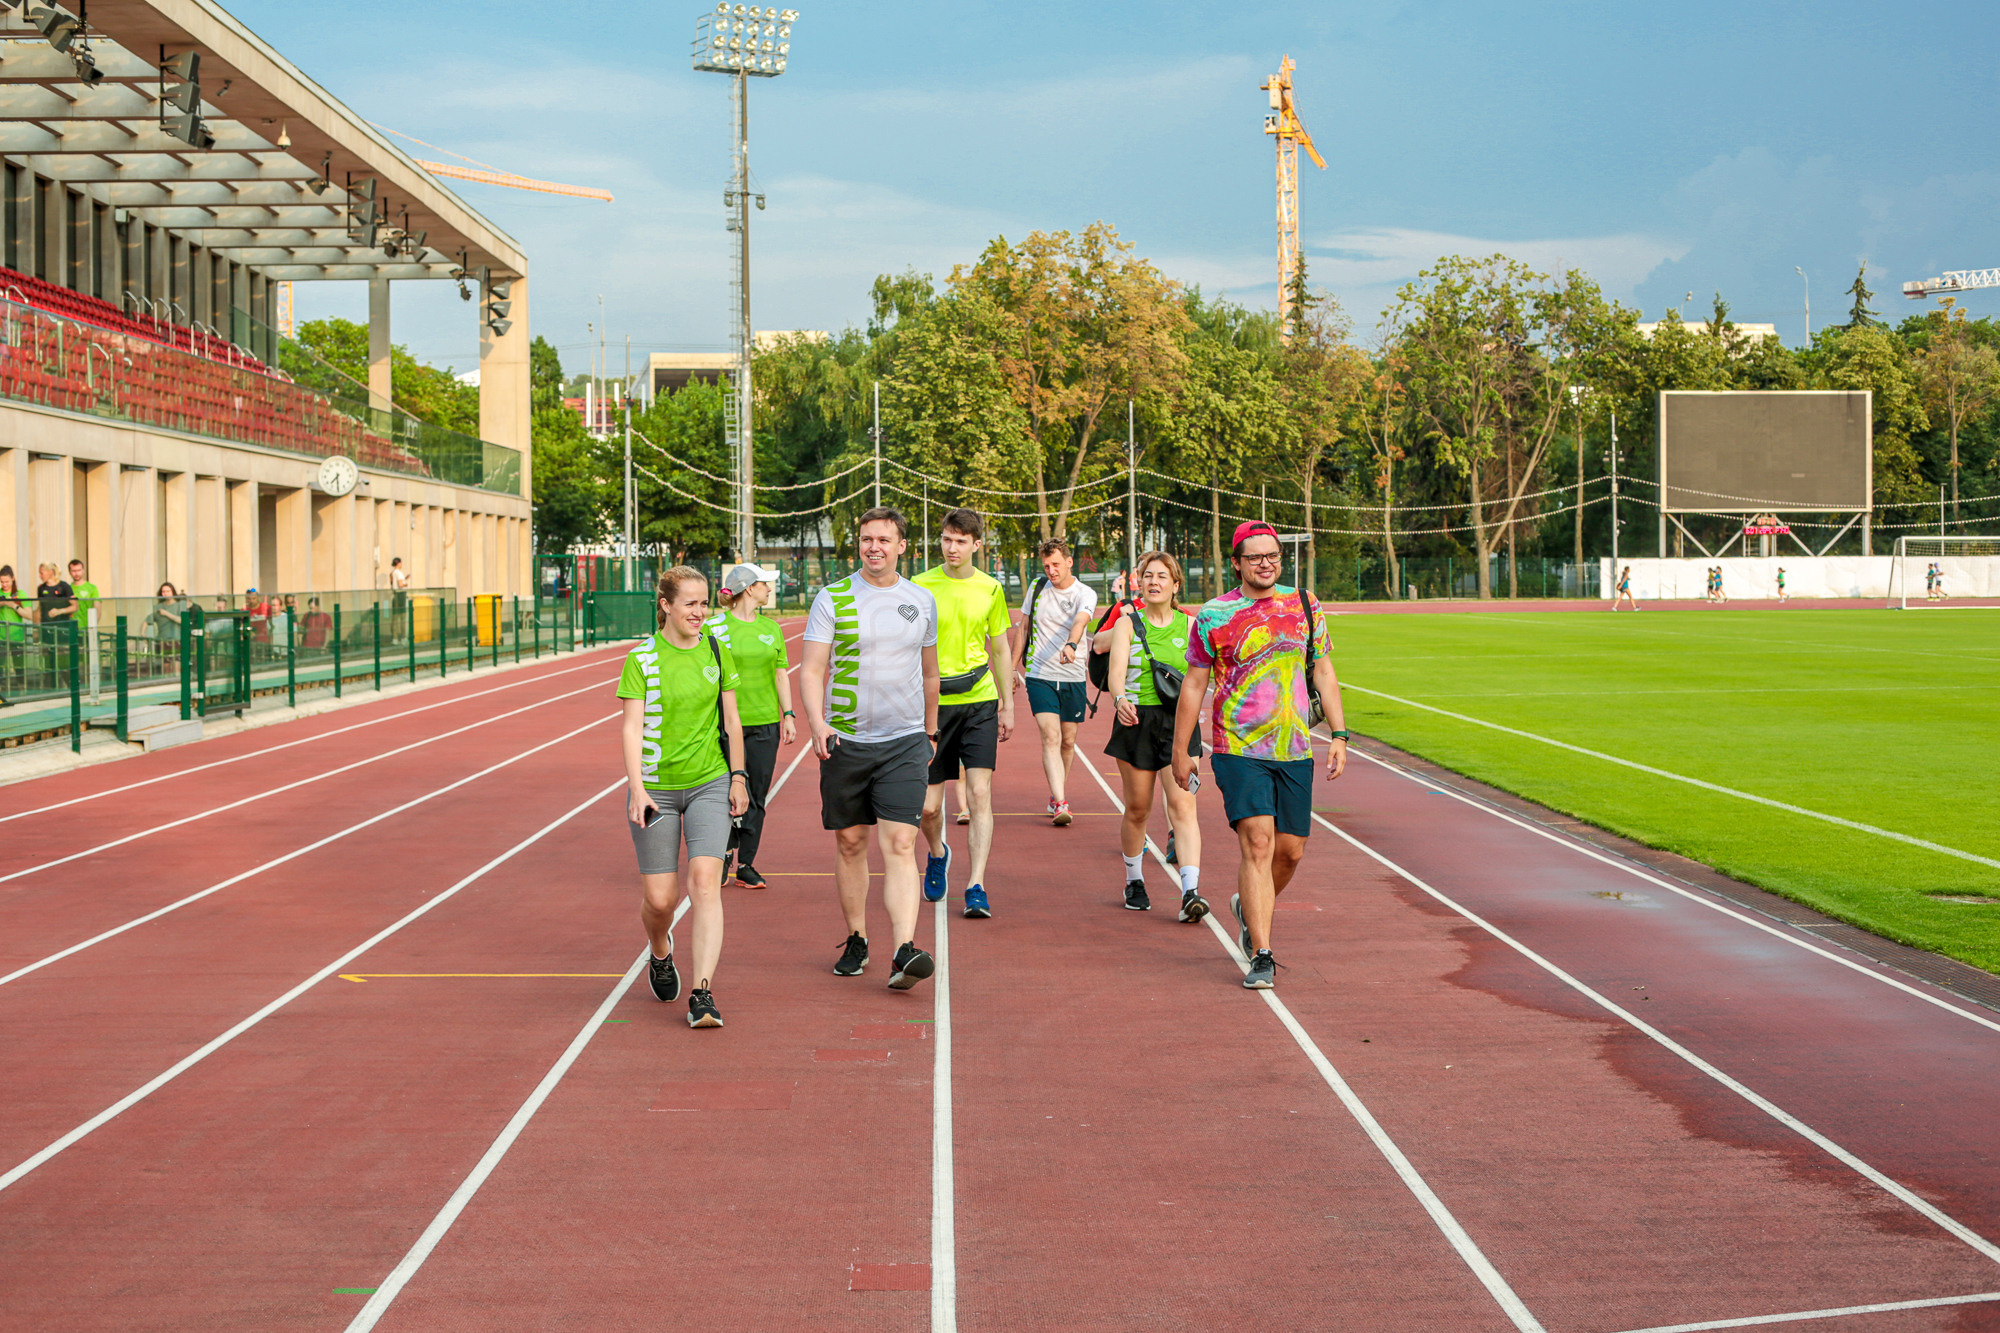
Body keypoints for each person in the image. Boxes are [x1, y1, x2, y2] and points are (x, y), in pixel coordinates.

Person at [1172, 521, 1346, 991]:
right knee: (1258, 843)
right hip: (1238, 747)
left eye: (1272, 556)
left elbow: (1323, 671)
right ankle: (1262, 953)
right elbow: (1194, 684)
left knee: (1290, 851)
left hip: (1295, 747)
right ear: (1237, 563)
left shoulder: (1305, 604)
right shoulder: (1213, 614)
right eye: (1255, 557)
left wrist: (1340, 734)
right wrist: (1182, 749)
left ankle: (1247, 906)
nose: (1266, 563)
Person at [800, 507, 941, 990]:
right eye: (866, 539)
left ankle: (904, 949)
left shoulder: (920, 600)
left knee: (900, 843)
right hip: (846, 740)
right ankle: (857, 938)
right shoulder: (833, 597)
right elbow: (812, 669)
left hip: (904, 741)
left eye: (883, 539)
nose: (873, 547)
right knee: (851, 842)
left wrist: (931, 730)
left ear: (902, 546)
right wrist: (817, 723)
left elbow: (930, 673)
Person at [618, 565, 751, 1029]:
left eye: (704, 603)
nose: (700, 612)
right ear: (666, 605)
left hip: (709, 782)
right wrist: (637, 787)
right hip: (655, 787)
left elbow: (732, 722)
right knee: (661, 900)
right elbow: (632, 728)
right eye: (690, 603)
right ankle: (660, 952)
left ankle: (702, 993)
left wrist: (738, 777)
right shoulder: (642, 658)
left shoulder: (716, 650)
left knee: (705, 882)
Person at [914, 508, 1015, 919]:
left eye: (960, 541)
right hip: (932, 706)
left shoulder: (990, 589)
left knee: (979, 795)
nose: (952, 547)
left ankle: (976, 884)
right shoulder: (919, 586)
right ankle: (938, 852)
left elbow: (1000, 648)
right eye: (947, 539)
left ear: (976, 545)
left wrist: (1007, 704)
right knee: (928, 808)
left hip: (979, 701)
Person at [1105, 550, 1206, 921]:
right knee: (1138, 809)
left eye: (1162, 576)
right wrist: (1119, 699)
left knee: (1183, 806)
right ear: (1140, 583)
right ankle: (1134, 879)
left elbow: (1202, 676)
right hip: (1136, 721)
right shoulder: (1127, 624)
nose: (1154, 582)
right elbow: (1116, 673)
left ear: (1176, 585)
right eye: (1148, 575)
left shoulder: (1192, 626)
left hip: (1180, 722)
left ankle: (1190, 892)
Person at [705, 562, 796, 889]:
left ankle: (746, 863)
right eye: (764, 584)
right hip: (723, 726)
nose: (769, 589)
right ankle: (723, 852)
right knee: (722, 792)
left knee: (756, 795)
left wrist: (788, 714)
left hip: (764, 724)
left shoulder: (771, 628)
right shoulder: (713, 627)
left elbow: (781, 674)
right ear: (748, 589)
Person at [1014, 538, 1098, 826]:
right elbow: (1023, 628)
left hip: (1072, 675)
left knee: (1068, 741)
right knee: (1051, 736)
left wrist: (1071, 644)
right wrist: (1012, 669)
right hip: (1040, 675)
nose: (1051, 571)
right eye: (1047, 565)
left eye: (1056, 564)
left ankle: (1055, 793)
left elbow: (1081, 621)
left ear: (1069, 562)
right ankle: (1061, 801)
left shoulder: (1085, 593)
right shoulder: (1037, 588)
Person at [390, 556, 411, 642]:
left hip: (395, 595)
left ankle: (394, 638)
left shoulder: (393, 572)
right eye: (401, 562)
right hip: (401, 595)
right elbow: (400, 585)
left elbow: (393, 583)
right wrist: (406, 584)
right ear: (398, 563)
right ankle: (403, 637)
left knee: (395, 618)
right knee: (402, 617)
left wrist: (404, 579)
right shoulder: (399, 572)